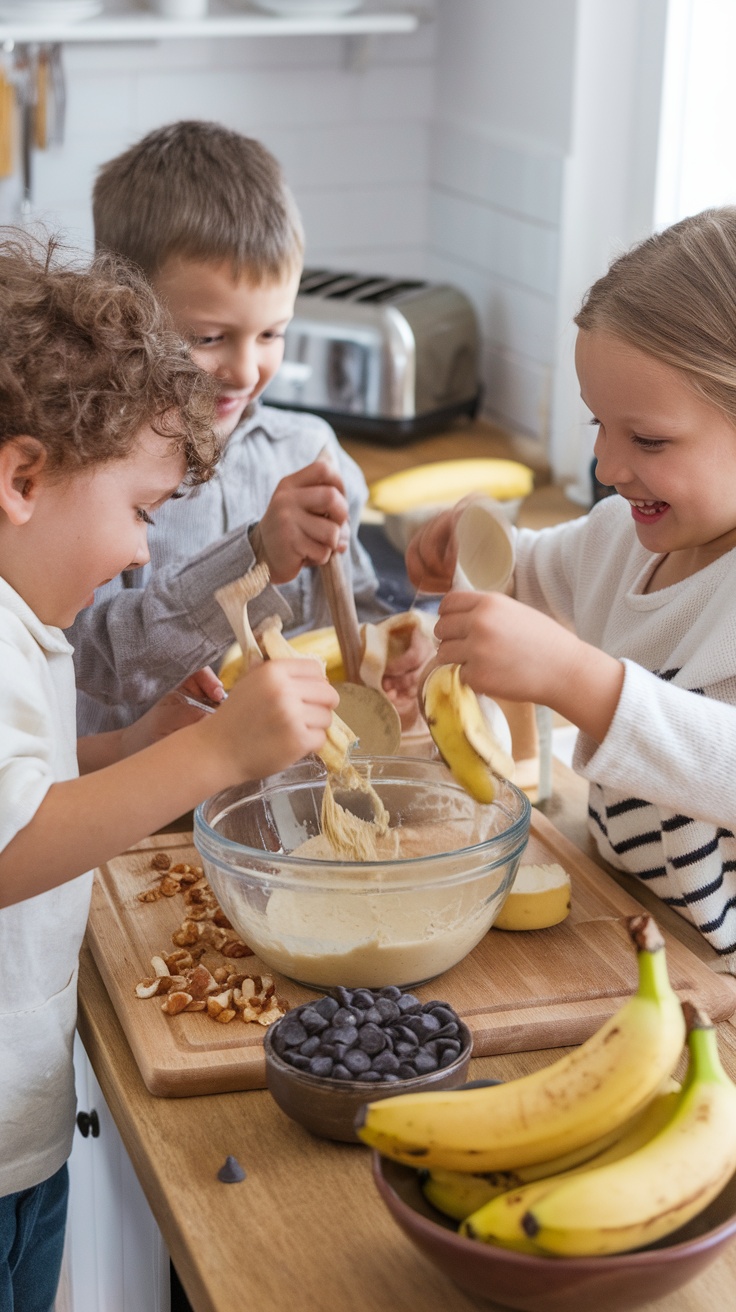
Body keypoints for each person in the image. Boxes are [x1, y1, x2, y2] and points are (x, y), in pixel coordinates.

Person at [0, 233, 337, 1310]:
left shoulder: (24, 622)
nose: (144, 552)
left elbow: (31, 782)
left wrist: (135, 747)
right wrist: (215, 751)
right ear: (22, 477)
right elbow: (11, 844)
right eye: (139, 512)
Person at [406, 207, 736, 970]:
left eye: (647, 438)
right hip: (632, 916)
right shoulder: (623, 537)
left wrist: (578, 679)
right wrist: (471, 539)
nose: (608, 467)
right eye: (598, 425)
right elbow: (524, 572)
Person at [70, 120, 426, 736]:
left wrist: (389, 651)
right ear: (117, 313)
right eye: (208, 338)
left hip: (290, 801)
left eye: (272, 334)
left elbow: (350, 612)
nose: (243, 369)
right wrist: (253, 557)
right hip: (144, 811)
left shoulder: (308, 449)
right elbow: (95, 662)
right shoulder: (90, 471)